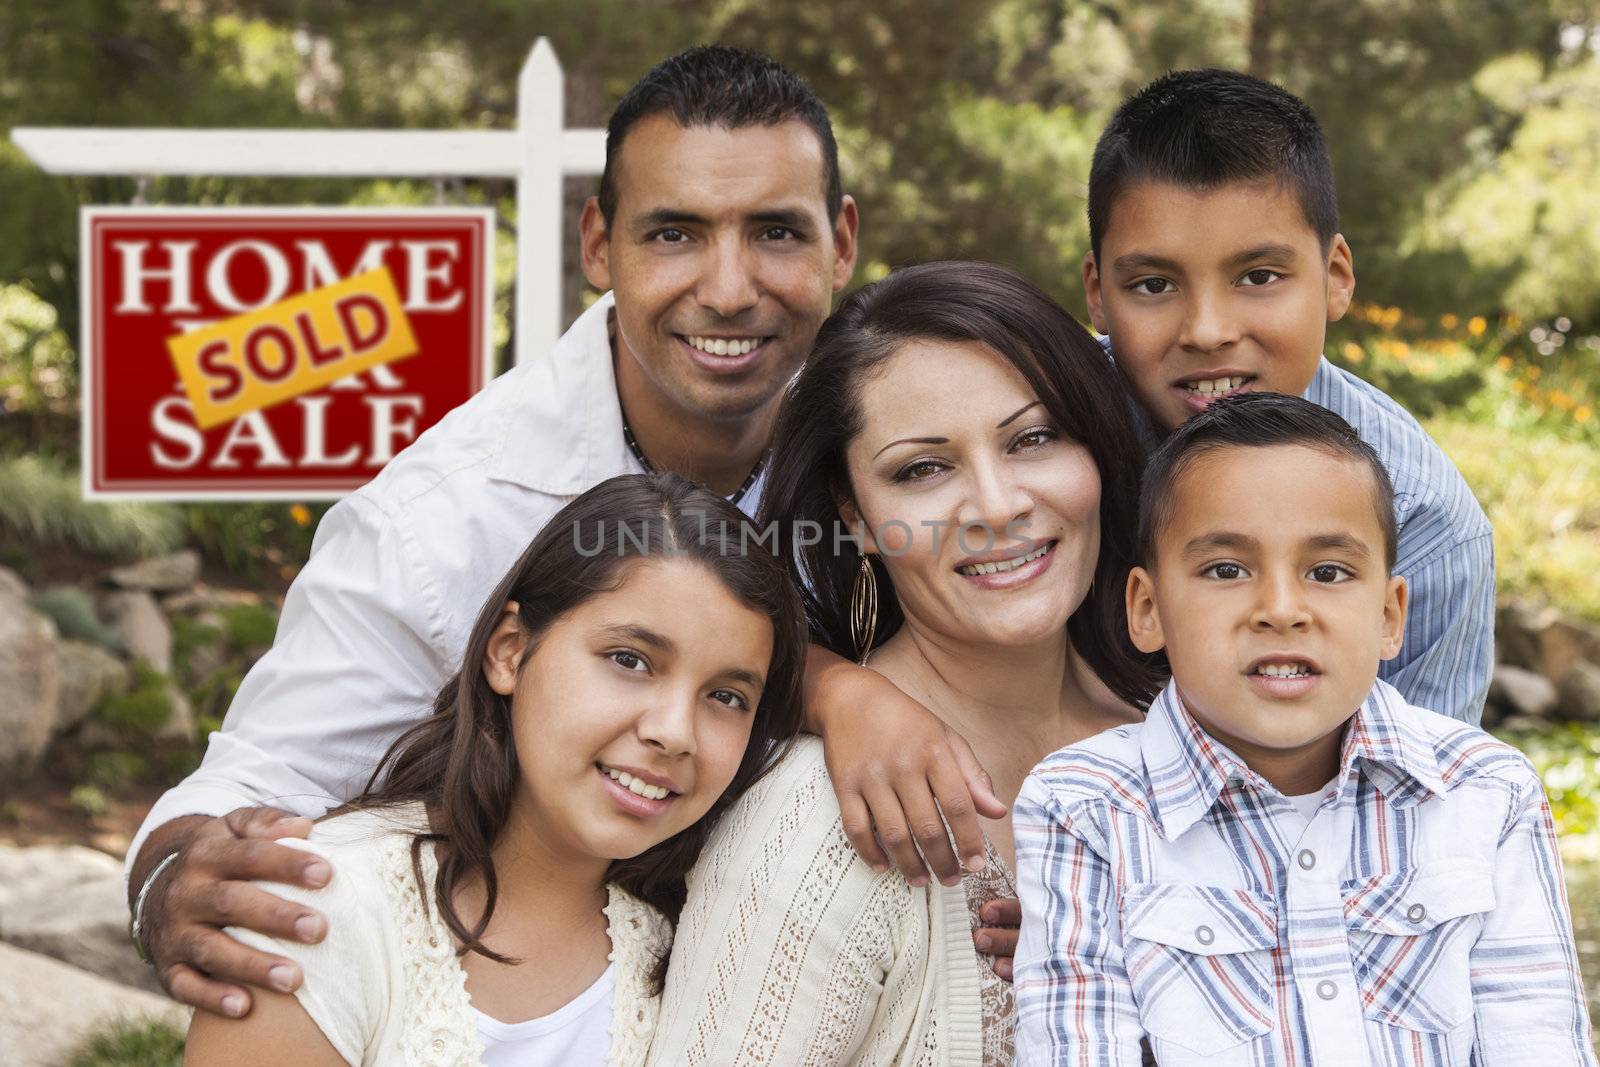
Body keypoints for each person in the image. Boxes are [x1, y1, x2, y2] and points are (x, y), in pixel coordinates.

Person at [126, 47, 1012, 1020]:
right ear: (599, 243)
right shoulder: (442, 520)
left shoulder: (899, 440)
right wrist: (178, 878)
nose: (727, 287)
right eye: (673, 232)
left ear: (841, 243)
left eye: (775, 232)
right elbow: (256, 782)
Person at [644, 261, 1167, 1066]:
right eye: (923, 469)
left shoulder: (1190, 742)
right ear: (856, 517)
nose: (997, 505)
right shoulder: (815, 822)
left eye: (1034, 438)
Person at [1012, 393, 1594, 1066]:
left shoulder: (1486, 792)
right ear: (1146, 608)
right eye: (1226, 569)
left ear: (1387, 614)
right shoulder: (1083, 807)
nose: (1282, 610)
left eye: (1328, 571)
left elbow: (1539, 1041)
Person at [182, 473, 808, 1066]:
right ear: (510, 651)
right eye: (630, 659)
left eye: (727, 697)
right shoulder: (324, 908)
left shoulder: (702, 944)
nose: (674, 732)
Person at [1081, 68, 1495, 723]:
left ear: (1334, 277)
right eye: (1155, 285)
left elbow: (1422, 800)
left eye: (1259, 276)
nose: (1208, 331)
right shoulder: (1034, 433)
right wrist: (854, 686)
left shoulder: (1426, 525)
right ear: (1098, 292)